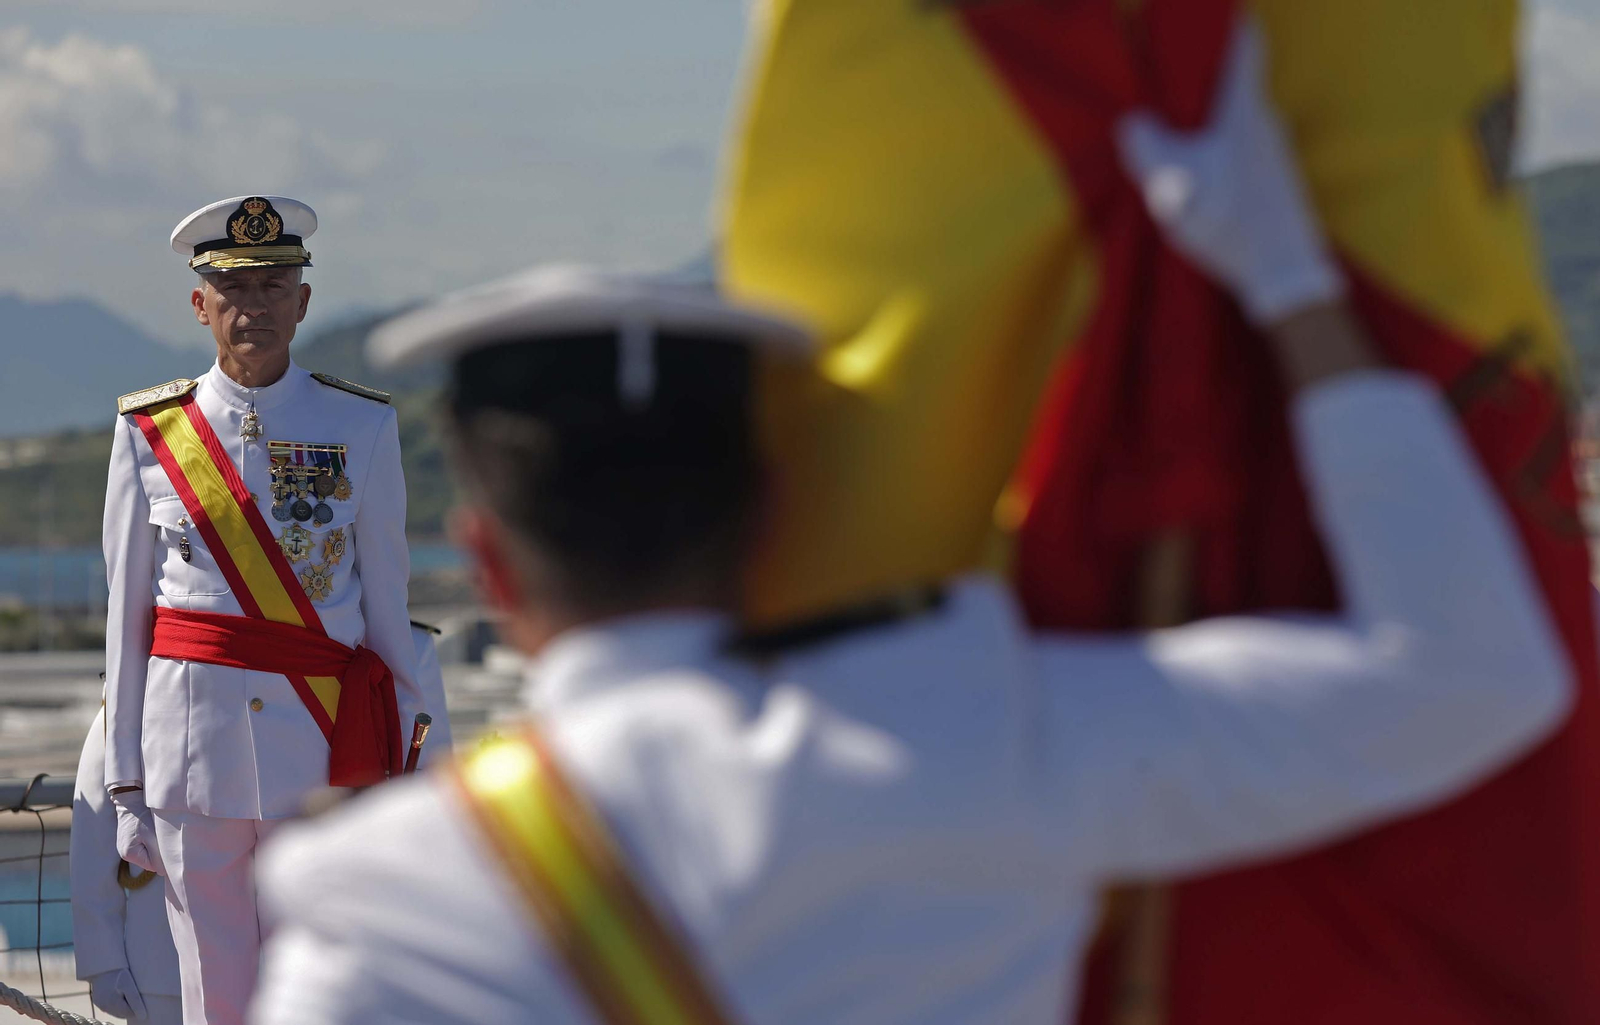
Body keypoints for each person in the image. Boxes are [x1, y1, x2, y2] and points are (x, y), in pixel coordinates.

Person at [249, 64, 1571, 1025]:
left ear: (490, 561)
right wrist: (1288, 284)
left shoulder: (391, 902)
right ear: (773, 512)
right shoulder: (980, 733)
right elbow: (1471, 674)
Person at [101, 195, 432, 1025]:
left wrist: (417, 745)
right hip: (189, 751)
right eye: (235, 289)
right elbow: (126, 621)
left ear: (304, 302)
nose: (256, 306)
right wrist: (126, 781)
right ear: (200, 304)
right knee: (210, 979)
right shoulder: (150, 431)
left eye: (275, 286)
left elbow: (388, 603)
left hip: (320, 745)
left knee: (313, 977)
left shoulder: (361, 425)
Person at [72, 698, 183, 1025]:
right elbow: (94, 836)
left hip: (269, 965)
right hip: (161, 968)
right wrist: (102, 960)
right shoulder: (126, 705)